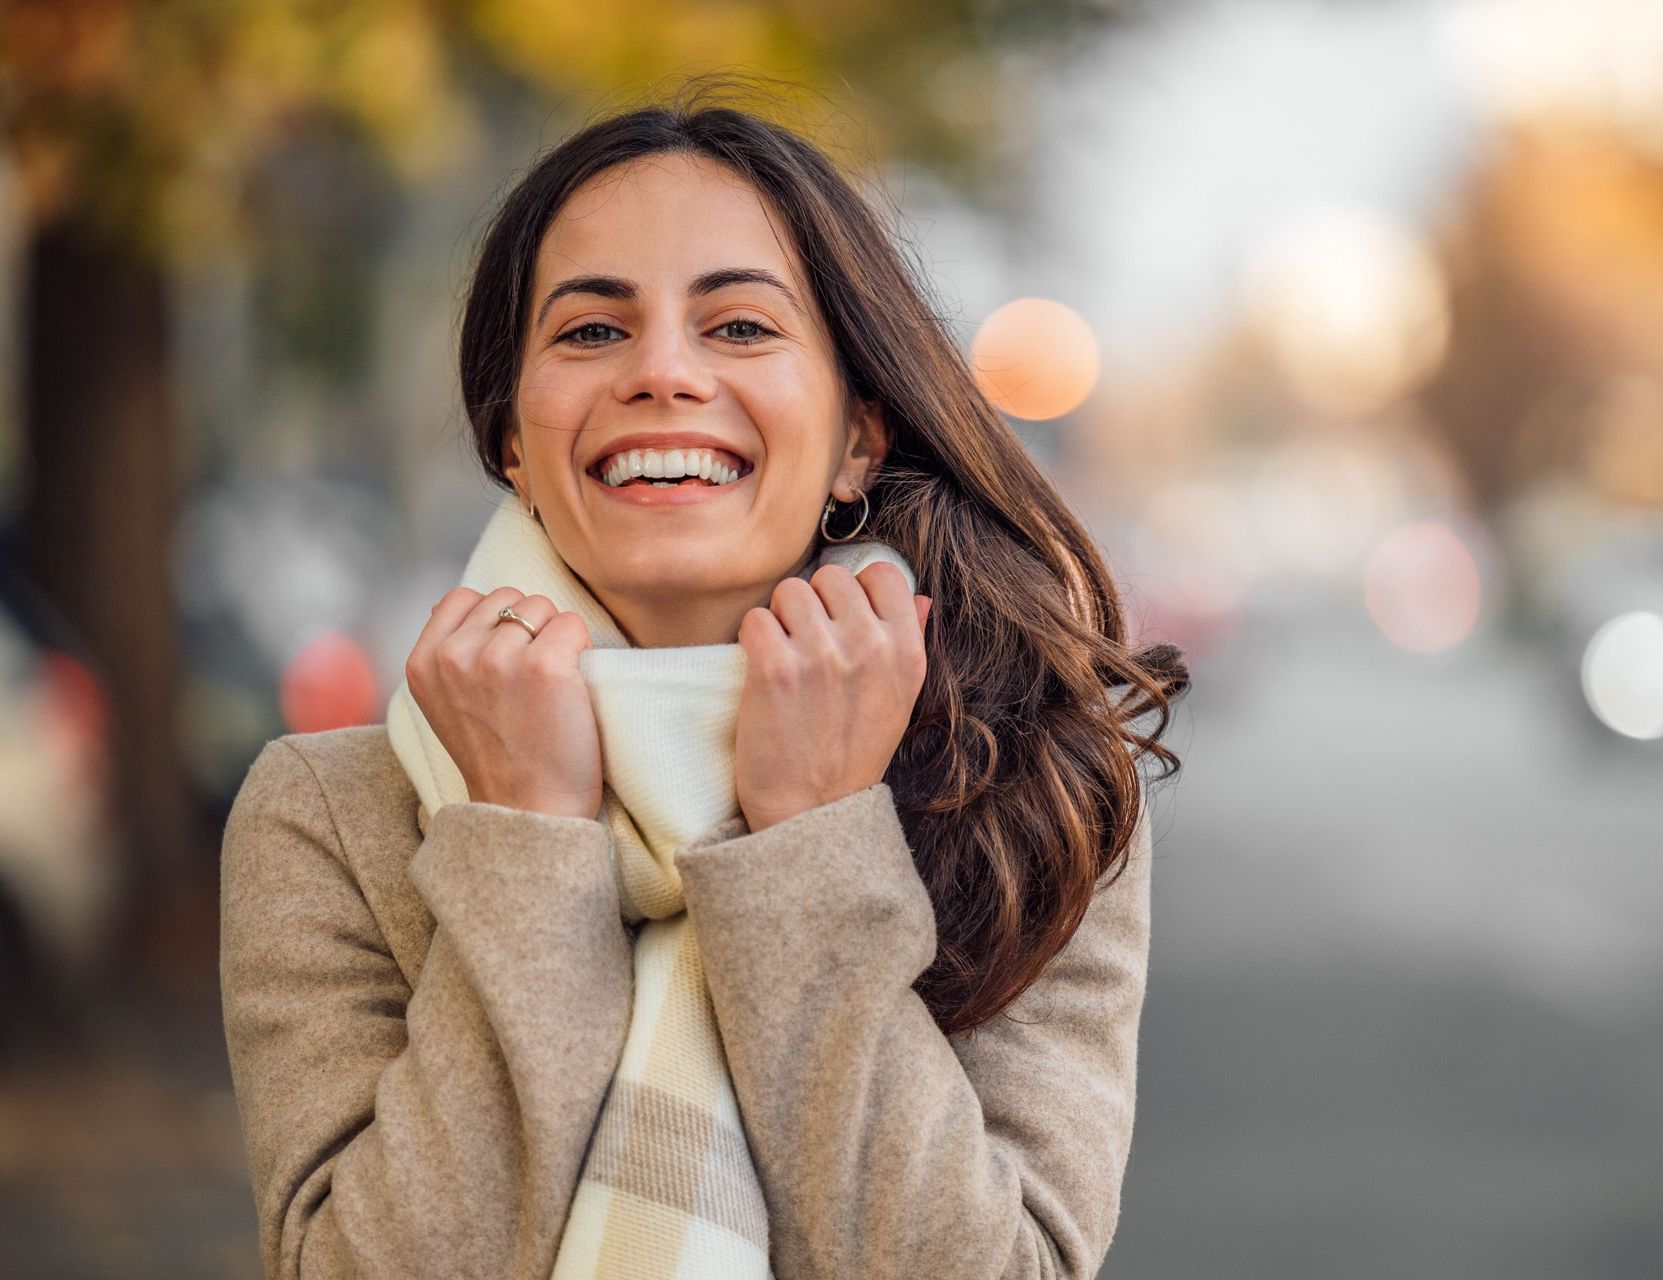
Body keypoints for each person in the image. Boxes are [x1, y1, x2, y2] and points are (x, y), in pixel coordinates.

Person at [219, 80, 1187, 1280]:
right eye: (589, 331)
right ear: (512, 440)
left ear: (857, 438)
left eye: (739, 326)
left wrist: (817, 840)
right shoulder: (329, 813)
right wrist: (520, 837)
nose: (662, 373)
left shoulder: (1033, 789)